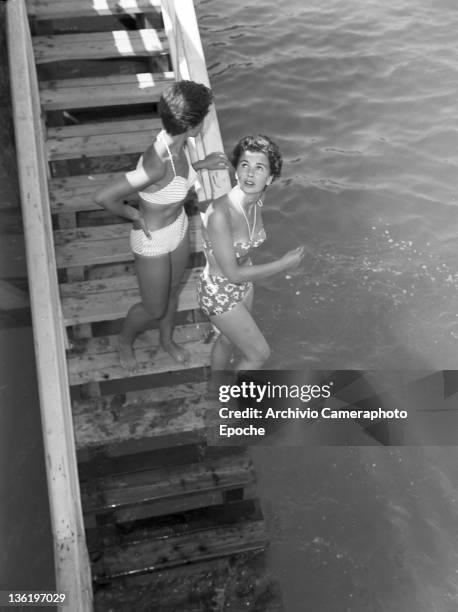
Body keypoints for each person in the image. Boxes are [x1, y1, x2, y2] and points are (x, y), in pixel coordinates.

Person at [94, 80, 229, 371]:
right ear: (192, 125)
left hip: (178, 229)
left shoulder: (181, 145)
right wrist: (133, 216)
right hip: (152, 241)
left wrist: (204, 164)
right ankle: (125, 340)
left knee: (171, 293)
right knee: (153, 308)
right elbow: (105, 196)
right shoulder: (155, 163)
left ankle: (166, 341)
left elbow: (180, 179)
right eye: (204, 116)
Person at [197, 134, 305, 380]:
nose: (249, 174)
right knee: (258, 355)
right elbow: (232, 275)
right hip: (219, 292)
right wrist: (283, 264)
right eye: (244, 165)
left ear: (269, 178)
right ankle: (232, 403)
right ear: (236, 170)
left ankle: (215, 387)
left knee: (227, 339)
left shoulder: (256, 199)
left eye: (259, 168)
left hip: (244, 284)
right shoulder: (220, 215)